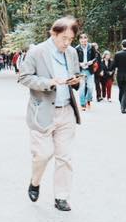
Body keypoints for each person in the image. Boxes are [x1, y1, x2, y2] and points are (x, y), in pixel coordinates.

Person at [19, 16, 83, 211]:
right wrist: (49, 82)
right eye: (64, 38)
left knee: (65, 157)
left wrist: (75, 81)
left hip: (66, 111)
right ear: (53, 34)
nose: (67, 43)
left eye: (70, 39)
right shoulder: (37, 52)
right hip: (43, 111)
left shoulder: (71, 53)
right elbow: (24, 77)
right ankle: (35, 181)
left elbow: (76, 75)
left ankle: (61, 197)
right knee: (43, 154)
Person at [75, 33, 99, 111]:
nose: (83, 40)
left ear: (87, 39)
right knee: (81, 88)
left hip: (90, 70)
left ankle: (88, 99)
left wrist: (91, 62)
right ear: (79, 40)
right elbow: (74, 60)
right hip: (81, 71)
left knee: (90, 87)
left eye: (85, 38)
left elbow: (96, 57)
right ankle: (83, 104)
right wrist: (79, 63)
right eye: (81, 39)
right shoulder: (77, 48)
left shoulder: (91, 47)